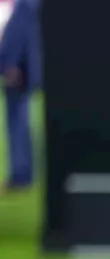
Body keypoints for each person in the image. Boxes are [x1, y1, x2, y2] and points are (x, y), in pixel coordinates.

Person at [0, 0, 40, 194]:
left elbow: (20, 36)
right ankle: (23, 174)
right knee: (18, 122)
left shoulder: (27, 4)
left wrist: (12, 64)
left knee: (17, 122)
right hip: (22, 69)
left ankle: (22, 175)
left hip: (19, 71)